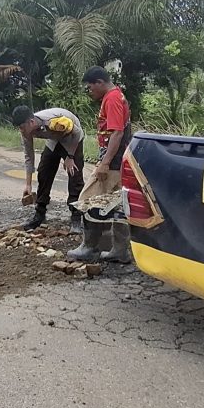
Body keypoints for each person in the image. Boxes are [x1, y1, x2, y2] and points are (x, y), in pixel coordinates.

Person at [67, 66, 132, 263]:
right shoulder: (117, 95)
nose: (89, 91)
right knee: (118, 203)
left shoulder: (111, 99)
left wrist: (104, 163)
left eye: (90, 87)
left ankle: (90, 247)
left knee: (88, 200)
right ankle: (120, 250)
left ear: (99, 82)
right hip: (120, 160)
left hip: (112, 162)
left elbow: (117, 133)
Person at [12, 105, 85, 234]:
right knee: (44, 171)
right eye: (19, 128)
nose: (21, 130)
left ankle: (76, 216)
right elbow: (29, 156)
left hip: (71, 138)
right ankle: (40, 213)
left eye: (22, 127)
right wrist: (28, 185)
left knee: (74, 173)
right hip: (54, 139)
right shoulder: (26, 131)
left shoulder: (53, 122)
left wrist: (70, 156)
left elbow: (78, 132)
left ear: (31, 122)